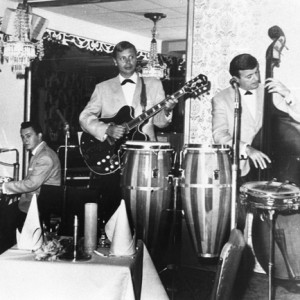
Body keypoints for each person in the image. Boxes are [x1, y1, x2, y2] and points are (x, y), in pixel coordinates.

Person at [79, 40, 177, 222]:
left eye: (131, 57)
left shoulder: (154, 84)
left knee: (142, 207)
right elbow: (84, 117)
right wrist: (107, 129)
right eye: (122, 58)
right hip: (112, 155)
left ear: (137, 59)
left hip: (144, 156)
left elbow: (161, 123)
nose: (128, 62)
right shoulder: (103, 88)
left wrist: (168, 110)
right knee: (112, 205)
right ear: (115, 62)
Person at [212, 53, 300, 182]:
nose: (256, 79)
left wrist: (288, 95)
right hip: (240, 168)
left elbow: (296, 118)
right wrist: (246, 148)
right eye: (249, 76)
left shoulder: (269, 91)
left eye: (257, 72)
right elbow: (219, 135)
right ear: (236, 79)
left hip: (273, 164)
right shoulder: (221, 99)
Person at [0, 121, 61, 230]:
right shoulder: (39, 153)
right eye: (22, 137)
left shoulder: (45, 157)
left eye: (28, 136)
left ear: (39, 135)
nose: (25, 140)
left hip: (38, 207)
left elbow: (31, 184)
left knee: (3, 218)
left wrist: (5, 186)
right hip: (32, 203)